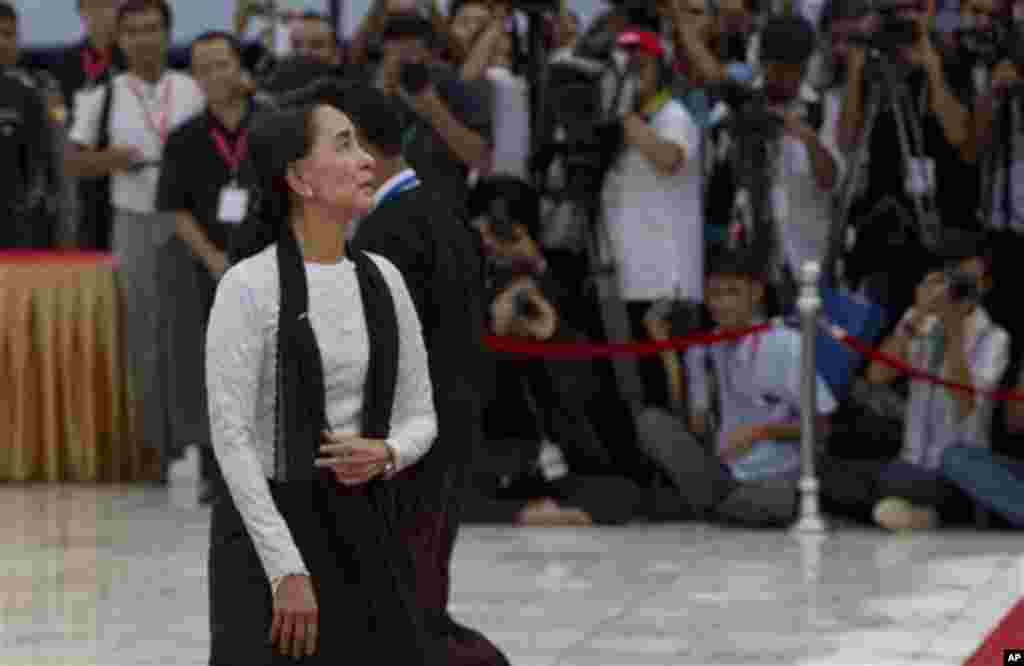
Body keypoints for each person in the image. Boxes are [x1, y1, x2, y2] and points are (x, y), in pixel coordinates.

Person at [207, 104, 441, 664]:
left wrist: (387, 452)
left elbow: (421, 415)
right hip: (270, 538)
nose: (366, 160)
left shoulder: (384, 279)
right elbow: (232, 439)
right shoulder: (248, 286)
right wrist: (285, 569)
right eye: (343, 145)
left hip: (368, 530)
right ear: (298, 178)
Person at [285, 80, 507, 666]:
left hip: (410, 446)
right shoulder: (440, 209)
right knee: (415, 595)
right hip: (448, 429)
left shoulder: (391, 230)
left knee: (409, 606)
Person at [66, 0, 206, 478]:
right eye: (134, 31)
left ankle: (198, 447)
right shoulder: (102, 94)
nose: (144, 39)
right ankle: (154, 450)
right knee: (144, 336)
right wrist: (110, 160)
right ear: (119, 39)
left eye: (152, 29)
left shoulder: (192, 88)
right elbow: (73, 162)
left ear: (168, 33)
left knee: (192, 333)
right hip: (133, 221)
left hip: (189, 221)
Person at [637, 245, 838, 526]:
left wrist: (760, 432)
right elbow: (696, 429)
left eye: (732, 292)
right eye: (714, 294)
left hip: (775, 478)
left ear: (756, 293)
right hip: (722, 474)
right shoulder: (703, 350)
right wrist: (667, 354)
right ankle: (718, 506)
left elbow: (822, 428)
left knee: (772, 501)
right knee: (650, 423)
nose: (722, 304)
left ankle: (711, 507)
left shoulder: (786, 344)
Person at [156, 30, 273, 504]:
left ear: (239, 67)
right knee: (216, 368)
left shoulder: (273, 125)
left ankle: (274, 464)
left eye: (222, 64)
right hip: (213, 269)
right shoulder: (185, 138)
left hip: (272, 265)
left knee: (272, 364)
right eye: (203, 68)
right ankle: (215, 469)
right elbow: (175, 208)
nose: (214, 75)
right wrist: (214, 261)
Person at [839, 231, 1010, 530]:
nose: (959, 288)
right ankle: (923, 515)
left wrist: (954, 330)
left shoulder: (995, 338)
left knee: (885, 480)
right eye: (954, 278)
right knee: (835, 475)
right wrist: (918, 313)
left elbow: (965, 404)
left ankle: (924, 511)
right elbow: (877, 375)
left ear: (985, 286)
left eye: (968, 282)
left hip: (957, 473)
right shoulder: (919, 320)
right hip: (910, 462)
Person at [601, 28, 702, 409]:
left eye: (640, 65)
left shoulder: (672, 114)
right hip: (629, 274)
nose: (631, 74)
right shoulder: (622, 122)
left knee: (667, 386)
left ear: (660, 67)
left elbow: (669, 158)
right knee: (640, 387)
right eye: (624, 68)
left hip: (665, 277)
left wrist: (625, 114)